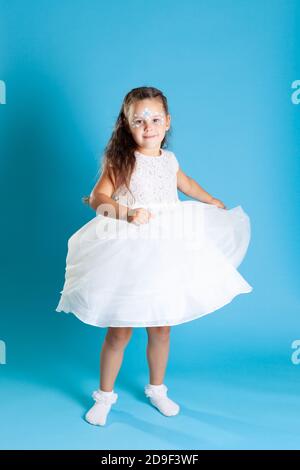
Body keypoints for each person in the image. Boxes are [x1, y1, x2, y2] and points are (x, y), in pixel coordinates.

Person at [55, 86, 253, 426]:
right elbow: (97, 198)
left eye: (155, 119)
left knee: (161, 326)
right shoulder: (123, 160)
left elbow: (186, 183)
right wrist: (128, 214)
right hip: (130, 250)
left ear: (167, 122)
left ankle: (157, 389)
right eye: (139, 120)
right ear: (127, 125)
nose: (148, 126)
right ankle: (104, 396)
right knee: (121, 329)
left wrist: (210, 200)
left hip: (168, 247)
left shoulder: (170, 160)